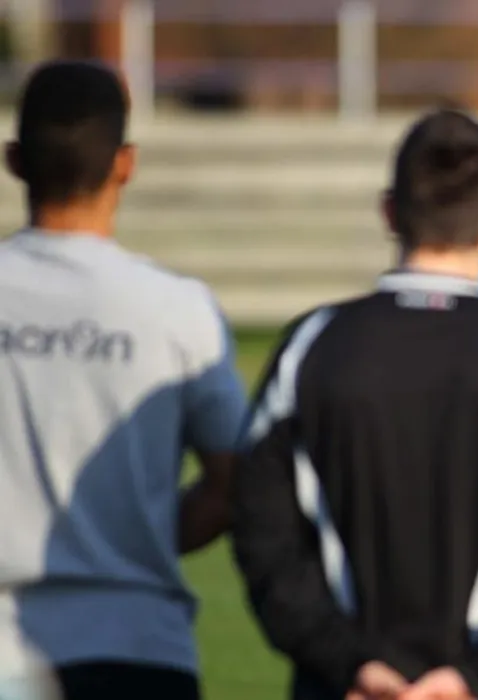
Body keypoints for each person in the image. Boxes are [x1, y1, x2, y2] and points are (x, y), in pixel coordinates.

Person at [230, 108, 478, 700]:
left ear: (389, 212)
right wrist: (477, 676)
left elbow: (261, 530)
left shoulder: (312, 348)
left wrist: (348, 661)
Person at [0, 61, 248, 700]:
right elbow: (233, 482)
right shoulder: (175, 307)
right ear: (126, 163)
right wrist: (139, 539)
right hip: (136, 642)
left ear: (14, 160)